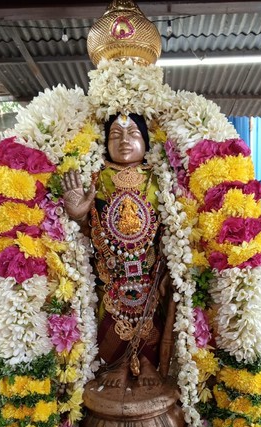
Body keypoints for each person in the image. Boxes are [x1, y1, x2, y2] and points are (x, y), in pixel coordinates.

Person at [62, 113, 174, 390]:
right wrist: (78, 216)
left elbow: (173, 228)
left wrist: (169, 270)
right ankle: (117, 364)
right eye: (115, 135)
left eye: (133, 134)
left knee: (152, 313)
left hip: (149, 267)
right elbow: (89, 230)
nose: (124, 141)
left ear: (146, 142)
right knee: (111, 314)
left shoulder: (159, 178)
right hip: (111, 268)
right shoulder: (96, 178)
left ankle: (147, 362)